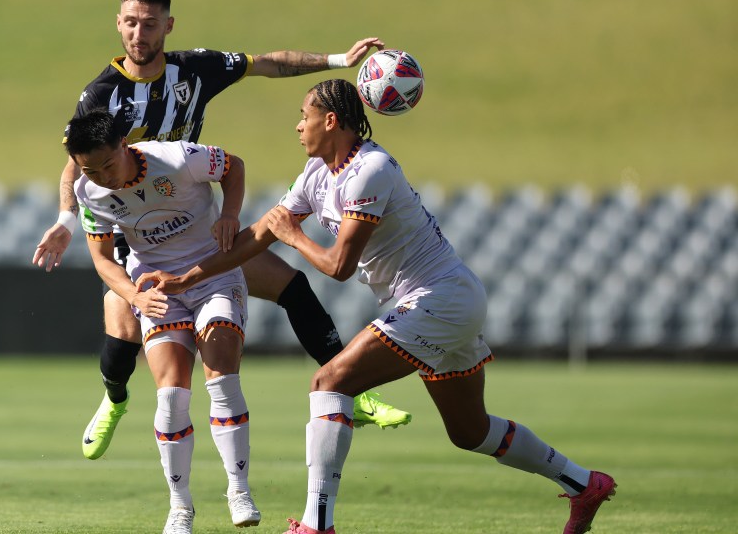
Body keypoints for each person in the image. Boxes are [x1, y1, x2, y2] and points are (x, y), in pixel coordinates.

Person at [136, 79, 618, 534]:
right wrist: (186, 277)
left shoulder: (372, 169)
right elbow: (257, 236)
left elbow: (338, 266)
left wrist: (294, 236)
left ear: (330, 121)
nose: (298, 126)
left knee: (329, 382)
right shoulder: (316, 173)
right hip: (437, 301)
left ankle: (316, 524)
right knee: (470, 431)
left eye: (304, 116)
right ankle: (584, 484)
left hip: (439, 297)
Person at [31, 0, 411, 462]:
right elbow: (77, 164)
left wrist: (337, 61)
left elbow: (268, 63)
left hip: (199, 230)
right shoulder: (101, 94)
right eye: (130, 23)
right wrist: (66, 219)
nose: (138, 34)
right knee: (121, 340)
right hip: (143, 241)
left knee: (293, 287)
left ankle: (354, 391)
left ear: (168, 25)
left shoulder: (195, 69)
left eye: (149, 24)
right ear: (118, 24)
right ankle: (114, 399)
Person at [66, 107, 261, 533]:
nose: (103, 177)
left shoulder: (177, 158)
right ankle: (180, 508)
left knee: (221, 377)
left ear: (124, 144)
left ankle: (238, 489)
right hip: (157, 289)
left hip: (212, 276)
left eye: (108, 164)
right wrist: (134, 295)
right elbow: (103, 260)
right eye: (90, 170)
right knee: (171, 395)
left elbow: (234, 166)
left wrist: (230, 215)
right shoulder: (88, 192)